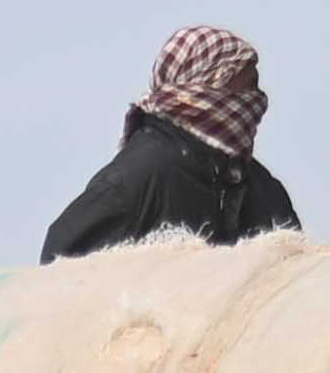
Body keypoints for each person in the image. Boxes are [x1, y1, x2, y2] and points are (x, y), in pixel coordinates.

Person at [44, 26, 299, 260]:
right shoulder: (139, 180)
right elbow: (60, 266)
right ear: (207, 87)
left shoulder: (261, 188)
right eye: (246, 87)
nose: (256, 101)